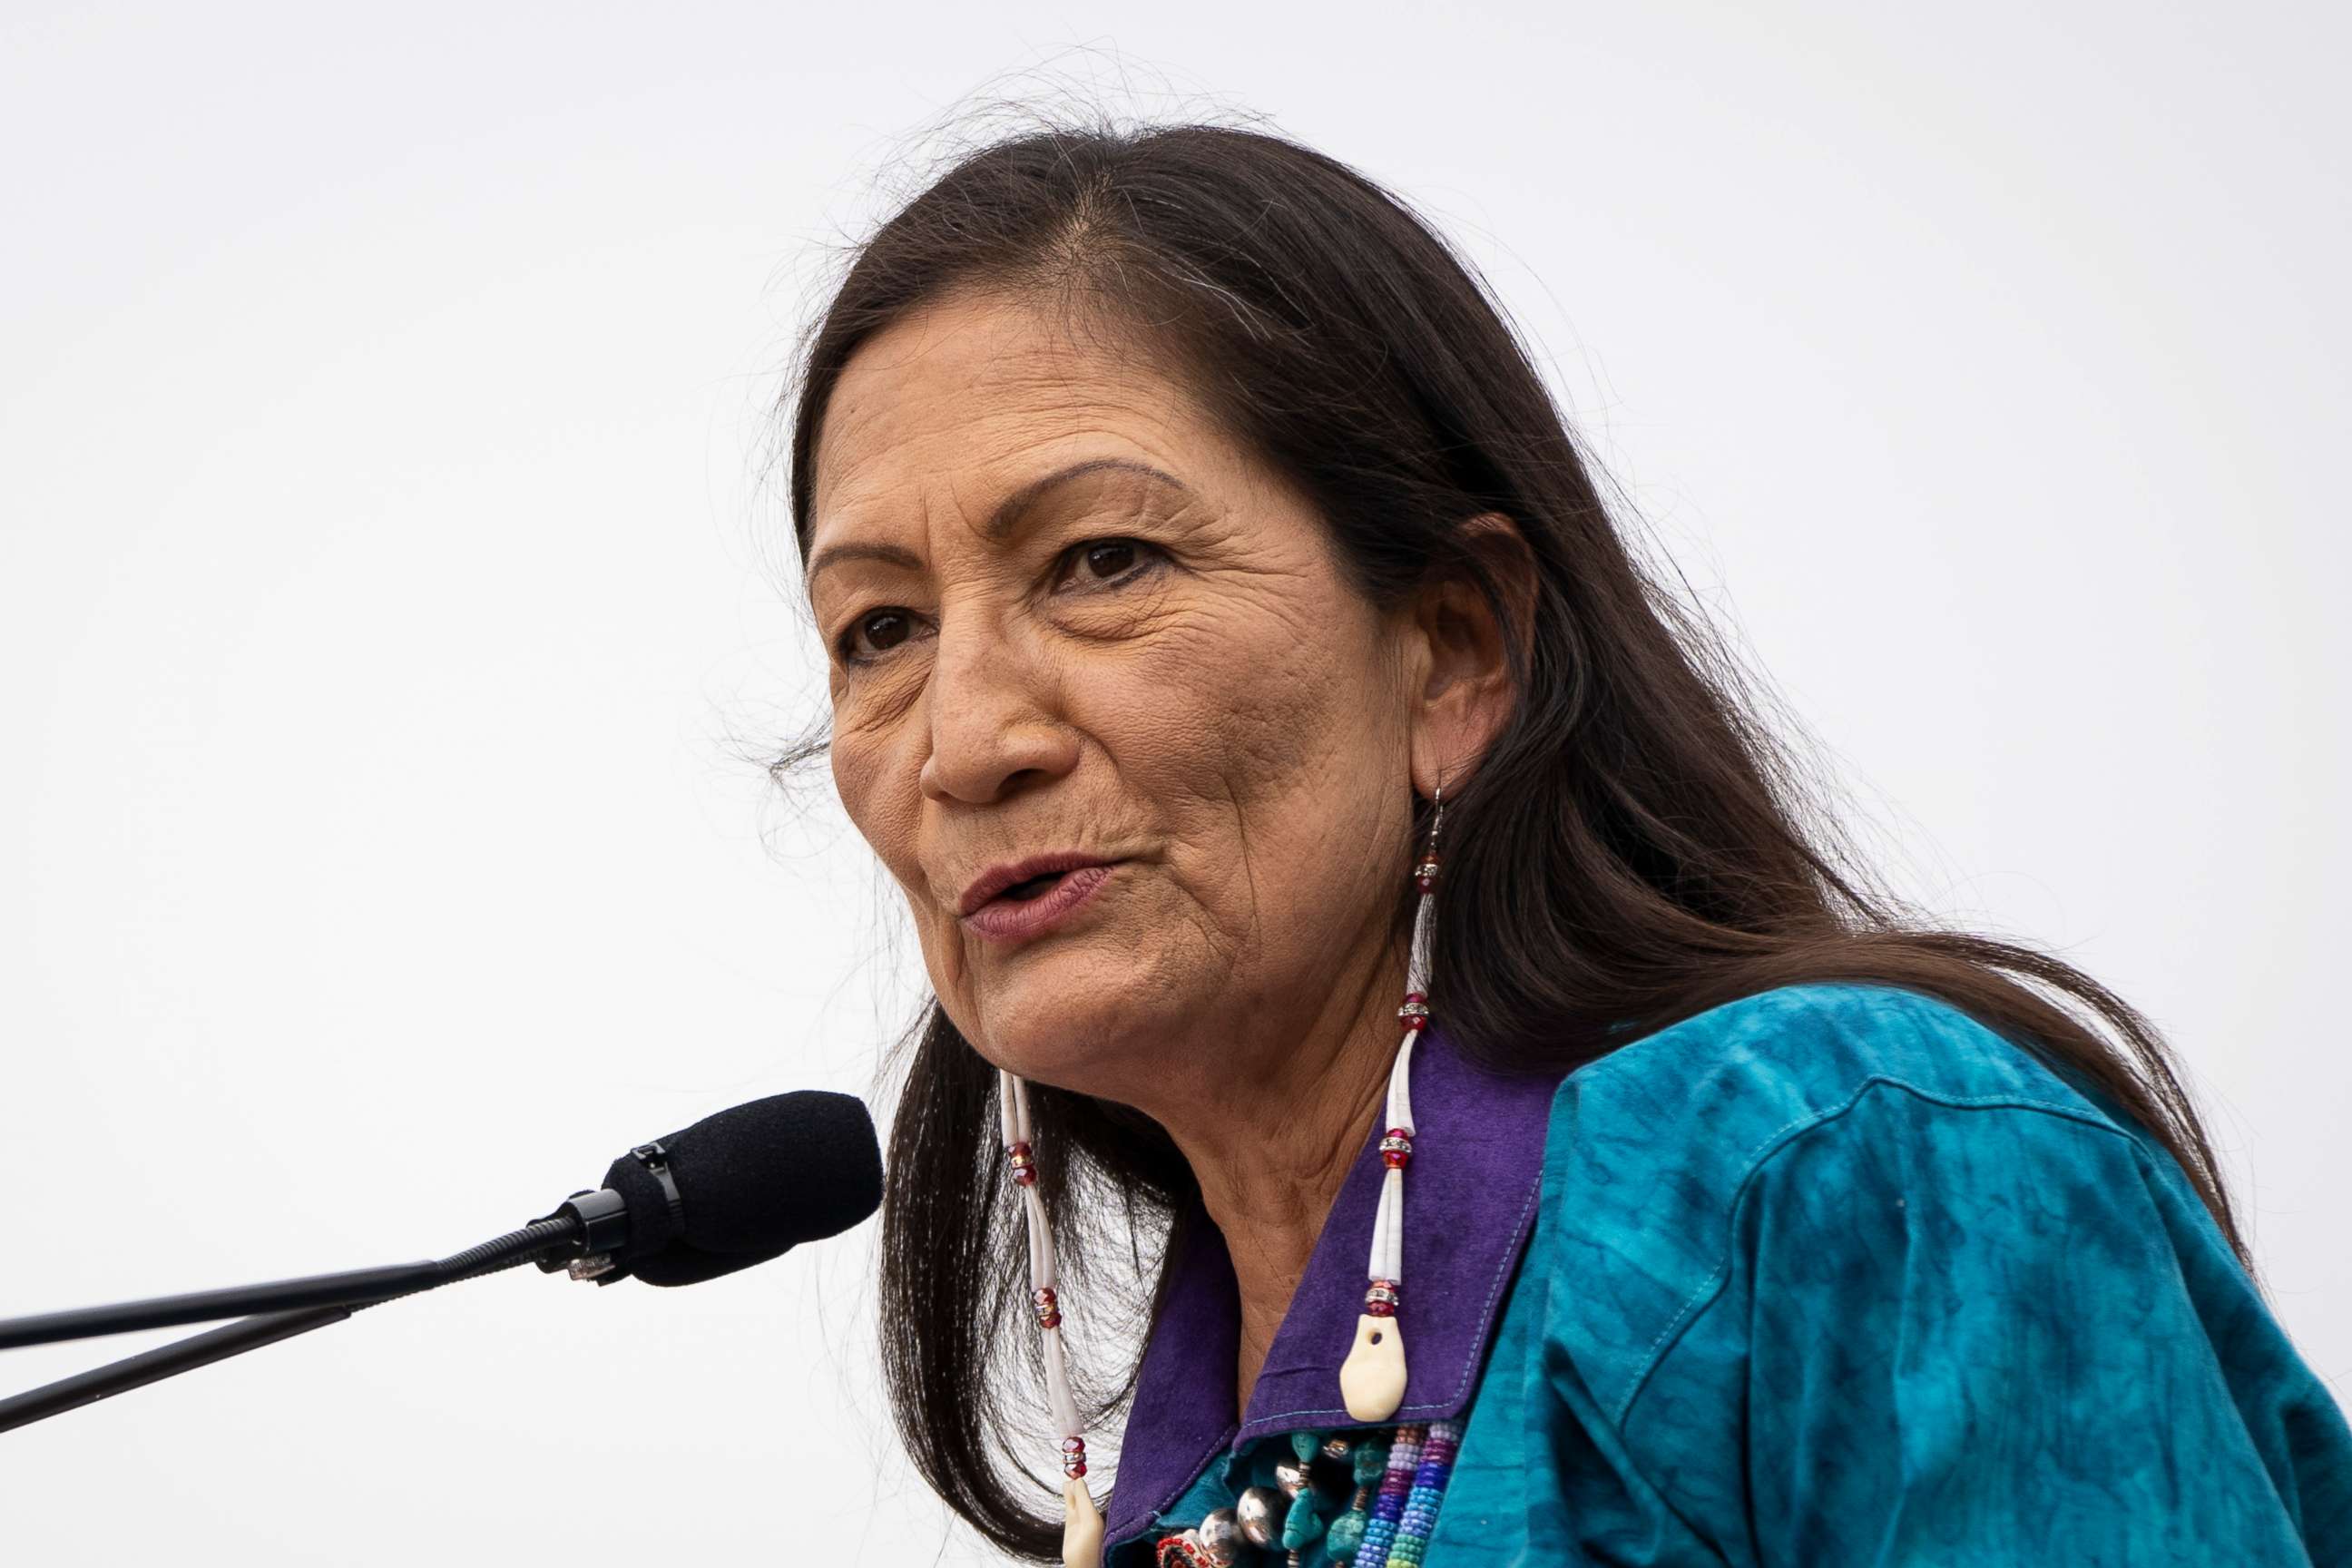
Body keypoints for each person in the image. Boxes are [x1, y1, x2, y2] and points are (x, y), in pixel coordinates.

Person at [771, 118, 2352, 1565]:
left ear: (1454, 652)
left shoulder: (1843, 1169)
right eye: (880, 629)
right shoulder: (1183, 1501)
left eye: (1103, 561)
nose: (964, 740)